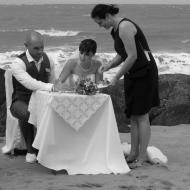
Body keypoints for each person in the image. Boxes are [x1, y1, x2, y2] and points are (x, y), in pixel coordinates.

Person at [91, 4, 160, 168]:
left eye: (100, 22)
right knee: (133, 115)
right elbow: (122, 54)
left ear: (107, 16)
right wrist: (109, 66)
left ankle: (142, 158)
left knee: (142, 115)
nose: (101, 26)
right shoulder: (115, 30)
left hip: (145, 72)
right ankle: (134, 153)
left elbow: (133, 56)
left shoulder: (125, 27)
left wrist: (116, 76)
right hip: (133, 73)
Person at [10, 30, 56, 163]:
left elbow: (53, 80)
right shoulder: (18, 63)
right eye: (36, 48)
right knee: (28, 113)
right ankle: (31, 150)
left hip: (43, 100)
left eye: (42, 47)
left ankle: (49, 148)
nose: (40, 51)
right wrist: (50, 87)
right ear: (26, 45)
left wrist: (53, 88)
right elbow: (30, 83)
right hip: (20, 100)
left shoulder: (49, 60)